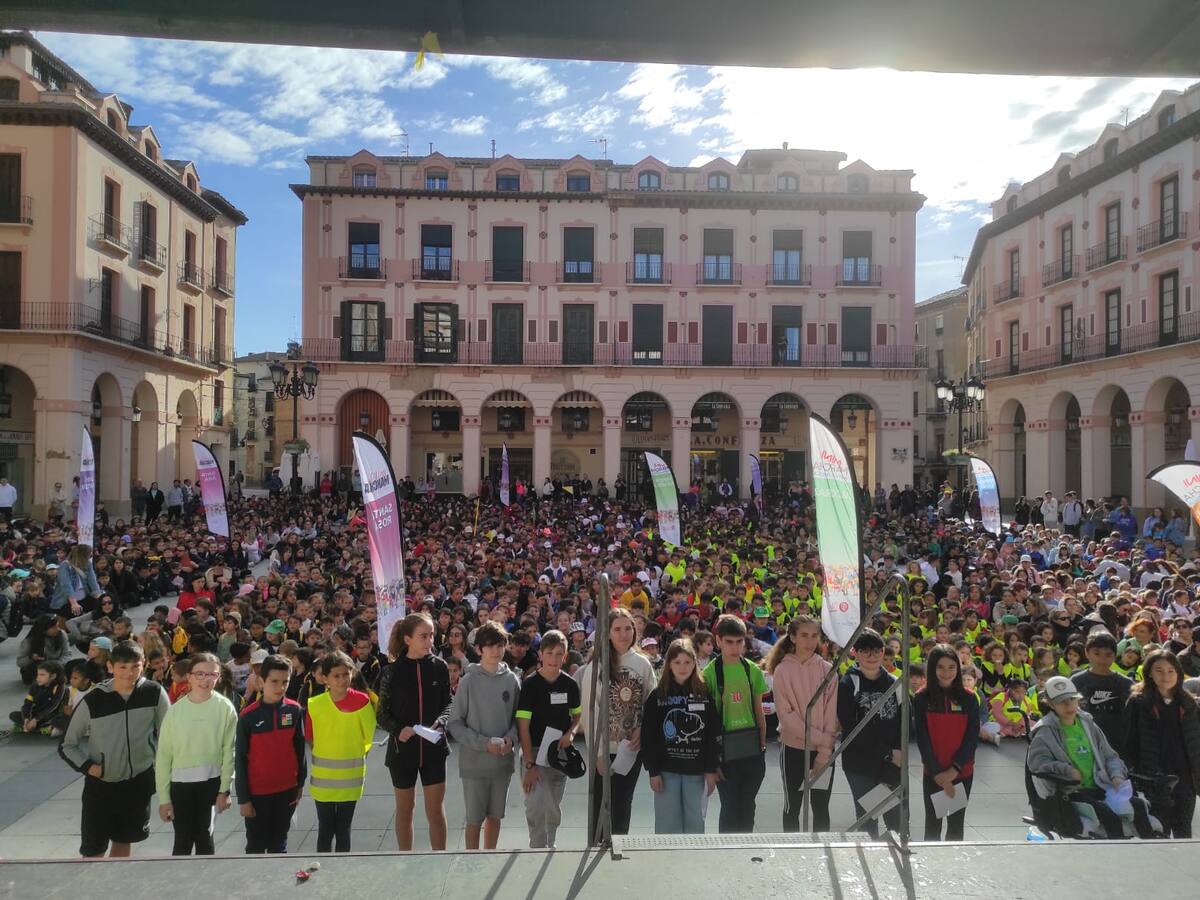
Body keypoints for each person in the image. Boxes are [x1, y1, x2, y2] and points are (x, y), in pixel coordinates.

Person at [58, 640, 171, 858]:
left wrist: (160, 770)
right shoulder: (94, 700)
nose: (129, 673)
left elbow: (169, 735)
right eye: (122, 667)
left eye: (135, 667)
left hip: (138, 783)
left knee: (124, 840)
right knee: (94, 849)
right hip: (101, 787)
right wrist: (90, 767)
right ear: (110, 667)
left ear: (144, 664)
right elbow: (67, 744)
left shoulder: (154, 692)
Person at [1027, 675, 1153, 838]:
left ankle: (1150, 850)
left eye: (1072, 699)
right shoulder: (1045, 730)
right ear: (1051, 704)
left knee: (1138, 805)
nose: (1068, 704)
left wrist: (1116, 776)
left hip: (1100, 785)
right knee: (1108, 816)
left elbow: (1110, 756)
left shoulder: (1088, 724)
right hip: (1070, 792)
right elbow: (1037, 763)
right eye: (1061, 701)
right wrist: (1067, 771)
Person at [376, 612, 453, 851]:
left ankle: (439, 859)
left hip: (433, 749)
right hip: (402, 752)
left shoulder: (439, 667)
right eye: (423, 636)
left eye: (432, 636)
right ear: (407, 638)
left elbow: (449, 703)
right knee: (405, 811)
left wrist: (441, 721)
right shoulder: (391, 671)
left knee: (435, 811)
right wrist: (399, 730)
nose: (429, 641)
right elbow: (381, 714)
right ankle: (404, 859)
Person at [577, 606, 653, 841]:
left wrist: (643, 728)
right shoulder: (596, 667)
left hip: (631, 749)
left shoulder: (643, 664)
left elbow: (651, 702)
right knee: (601, 804)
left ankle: (618, 848)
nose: (623, 634)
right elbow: (591, 713)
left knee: (623, 803)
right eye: (617, 629)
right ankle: (596, 848)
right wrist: (598, 754)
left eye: (628, 628)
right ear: (607, 633)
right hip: (604, 751)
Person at [446, 621, 522, 850]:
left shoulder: (512, 680)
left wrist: (511, 738)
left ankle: (489, 856)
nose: (495, 651)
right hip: (475, 765)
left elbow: (519, 720)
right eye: (489, 646)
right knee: (474, 819)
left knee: (495, 816)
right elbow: (455, 724)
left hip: (502, 763)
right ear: (479, 649)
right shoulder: (468, 681)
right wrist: (482, 744)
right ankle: (472, 859)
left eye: (500, 645)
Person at [155, 652, 239, 855]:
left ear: (218, 677)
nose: (205, 679)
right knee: (182, 841)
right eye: (199, 674)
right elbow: (164, 757)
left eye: (211, 674)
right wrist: (164, 799)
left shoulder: (225, 708)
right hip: (180, 786)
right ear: (189, 676)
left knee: (204, 838)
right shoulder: (175, 712)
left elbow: (230, 752)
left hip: (210, 784)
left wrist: (224, 790)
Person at [640, 638, 719, 834]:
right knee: (667, 822)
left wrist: (711, 769)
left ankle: (692, 861)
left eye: (687, 662)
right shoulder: (657, 696)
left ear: (695, 663)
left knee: (695, 821)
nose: (683, 667)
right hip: (667, 771)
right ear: (669, 665)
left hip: (696, 770)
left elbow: (712, 733)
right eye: (677, 662)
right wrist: (653, 771)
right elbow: (648, 736)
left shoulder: (704, 694)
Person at [767, 615, 838, 832]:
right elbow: (787, 717)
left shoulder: (827, 670)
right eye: (804, 635)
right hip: (794, 751)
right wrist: (821, 738)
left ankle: (822, 858)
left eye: (814, 636)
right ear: (793, 637)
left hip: (823, 752)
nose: (809, 641)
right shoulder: (782, 670)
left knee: (821, 807)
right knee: (793, 807)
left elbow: (831, 713)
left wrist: (824, 752)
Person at [304, 650, 377, 852]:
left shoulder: (362, 701)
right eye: (336, 676)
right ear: (325, 678)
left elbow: (368, 737)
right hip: (323, 780)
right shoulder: (314, 704)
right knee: (325, 829)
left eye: (346, 674)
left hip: (351, 778)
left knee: (344, 828)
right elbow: (310, 738)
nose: (342, 679)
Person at [1123, 649, 1200, 838]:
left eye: (1170, 670)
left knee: (1183, 831)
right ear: (1149, 672)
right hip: (1153, 778)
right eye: (1159, 670)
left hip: (1184, 778)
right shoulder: (1138, 702)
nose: (1165, 675)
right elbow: (1128, 741)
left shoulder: (1188, 703)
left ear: (1178, 673)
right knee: (1158, 830)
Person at [702, 614, 768, 833]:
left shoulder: (752, 670)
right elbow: (707, 721)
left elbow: (759, 712)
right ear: (718, 641)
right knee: (729, 808)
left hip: (751, 749)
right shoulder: (710, 673)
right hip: (724, 752)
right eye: (729, 642)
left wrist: (762, 747)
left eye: (739, 642)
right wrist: (713, 760)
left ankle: (746, 855)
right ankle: (727, 856)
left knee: (748, 807)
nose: (734, 647)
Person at [235, 653, 306, 854]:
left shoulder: (295, 711)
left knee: (279, 842)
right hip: (257, 795)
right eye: (274, 681)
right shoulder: (248, 717)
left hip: (287, 791)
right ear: (261, 681)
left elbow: (300, 750)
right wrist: (244, 799)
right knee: (256, 845)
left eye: (285, 682)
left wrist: (300, 783)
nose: (280, 687)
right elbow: (240, 759)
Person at [516, 629, 581, 849]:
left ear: (565, 656)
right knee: (535, 803)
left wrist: (571, 733)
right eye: (549, 653)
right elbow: (523, 727)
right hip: (533, 751)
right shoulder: (530, 685)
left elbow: (577, 715)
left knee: (553, 803)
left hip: (557, 754)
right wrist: (530, 763)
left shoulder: (570, 685)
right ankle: (536, 846)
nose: (554, 659)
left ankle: (550, 844)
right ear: (541, 654)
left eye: (559, 654)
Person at [837, 629, 903, 838]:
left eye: (876, 651)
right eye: (865, 651)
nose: (872, 656)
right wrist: (888, 752)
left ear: (883, 652)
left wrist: (898, 751)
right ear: (855, 653)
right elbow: (851, 727)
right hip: (861, 763)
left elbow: (904, 721)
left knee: (894, 816)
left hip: (891, 762)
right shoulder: (849, 684)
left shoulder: (894, 683)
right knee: (867, 818)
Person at [914, 644, 979, 841]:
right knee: (933, 825)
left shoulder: (969, 698)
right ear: (932, 668)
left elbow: (971, 737)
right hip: (934, 774)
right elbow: (922, 737)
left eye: (952, 667)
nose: (946, 672)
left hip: (961, 773)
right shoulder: (922, 697)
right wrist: (937, 772)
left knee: (955, 827)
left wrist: (954, 770)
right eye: (940, 667)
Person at [1071, 631, 1131, 752]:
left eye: (1108, 655)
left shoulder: (1125, 684)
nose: (1102, 659)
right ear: (1087, 653)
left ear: (1115, 656)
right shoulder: (1077, 681)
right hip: (1084, 741)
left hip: (1116, 744)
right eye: (1097, 654)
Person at [9, 660, 67, 735]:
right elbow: (27, 703)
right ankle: (38, 727)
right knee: (13, 715)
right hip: (36, 714)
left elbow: (53, 706)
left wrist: (36, 720)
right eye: (38, 674)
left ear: (53, 676)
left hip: (51, 715)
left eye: (42, 675)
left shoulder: (60, 687)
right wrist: (26, 718)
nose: (38, 678)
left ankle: (36, 727)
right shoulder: (35, 686)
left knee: (58, 720)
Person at [17, 613, 70, 684]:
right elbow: (20, 662)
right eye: (53, 627)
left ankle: (53, 678)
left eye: (57, 626)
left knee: (75, 665)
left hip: (56, 665)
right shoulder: (29, 641)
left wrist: (57, 664)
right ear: (44, 629)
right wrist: (30, 658)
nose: (57, 629)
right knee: (37, 667)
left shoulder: (61, 634)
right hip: (38, 667)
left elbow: (67, 654)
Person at [50, 544, 100, 616]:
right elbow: (66, 585)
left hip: (84, 597)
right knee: (76, 612)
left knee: (100, 606)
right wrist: (74, 603)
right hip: (67, 601)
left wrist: (100, 598)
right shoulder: (65, 566)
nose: (89, 558)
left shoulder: (88, 564)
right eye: (89, 556)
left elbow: (93, 581)